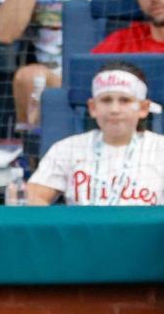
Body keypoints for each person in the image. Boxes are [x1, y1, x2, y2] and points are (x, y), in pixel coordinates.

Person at [0, 0, 133, 126]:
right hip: (59, 77)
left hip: (126, 69)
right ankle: (36, 151)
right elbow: (3, 32)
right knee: (29, 78)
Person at [26, 60, 164, 205]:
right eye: (106, 100)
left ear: (143, 108)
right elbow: (33, 197)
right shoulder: (67, 149)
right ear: (93, 107)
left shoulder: (160, 149)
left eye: (124, 100)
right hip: (81, 227)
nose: (114, 110)